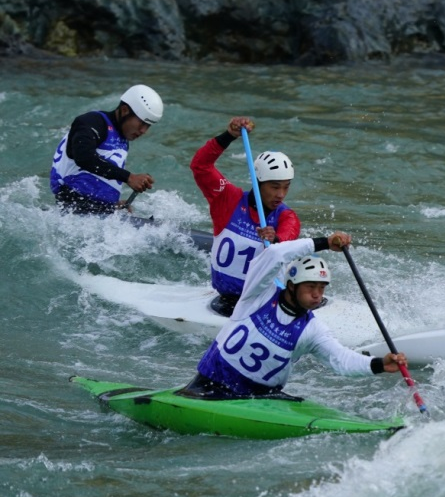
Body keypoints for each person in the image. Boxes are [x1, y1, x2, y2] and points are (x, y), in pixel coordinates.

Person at [181, 236, 406, 399]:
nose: (317, 294)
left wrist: (379, 364)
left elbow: (341, 359)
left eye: (322, 288)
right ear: (291, 285)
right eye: (310, 287)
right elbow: (275, 254)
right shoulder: (257, 295)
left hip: (260, 398)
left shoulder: (312, 329)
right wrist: (324, 243)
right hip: (209, 386)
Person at [191, 116, 319, 316]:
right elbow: (200, 166)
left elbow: (286, 242)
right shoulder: (228, 199)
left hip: (264, 304)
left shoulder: (287, 217)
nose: (281, 195)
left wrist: (274, 240)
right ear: (258, 182)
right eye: (274, 187)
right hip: (225, 300)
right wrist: (228, 136)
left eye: (286, 187)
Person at [50, 84, 163, 214]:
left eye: (148, 126)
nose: (143, 131)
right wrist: (129, 177)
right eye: (142, 123)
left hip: (94, 210)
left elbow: (97, 177)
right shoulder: (92, 122)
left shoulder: (122, 137)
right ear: (125, 110)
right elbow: (84, 157)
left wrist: (111, 204)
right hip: (72, 208)